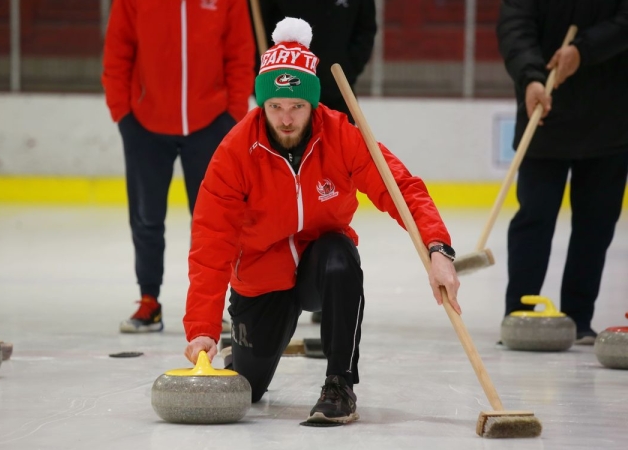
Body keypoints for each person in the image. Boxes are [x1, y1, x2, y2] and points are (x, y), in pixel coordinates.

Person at [182, 18, 460, 424]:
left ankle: (339, 384)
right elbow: (211, 242)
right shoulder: (235, 151)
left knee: (339, 255)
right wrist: (202, 327)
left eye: (297, 106)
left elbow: (400, 187)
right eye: (275, 106)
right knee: (249, 388)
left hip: (319, 266)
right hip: (261, 277)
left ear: (313, 103)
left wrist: (438, 248)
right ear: (262, 104)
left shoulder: (341, 135)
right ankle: (243, 353)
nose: (286, 119)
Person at [102, 0, 255, 333]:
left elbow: (240, 53)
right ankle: (149, 300)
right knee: (145, 217)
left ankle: (218, 305)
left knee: (215, 221)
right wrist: (122, 113)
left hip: (211, 122)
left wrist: (232, 115)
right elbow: (118, 50)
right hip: (144, 124)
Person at [497, 0, 628, 345]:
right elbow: (515, 27)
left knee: (596, 224)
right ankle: (520, 312)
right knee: (535, 216)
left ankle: (578, 318)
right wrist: (530, 77)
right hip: (544, 114)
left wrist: (584, 50)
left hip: (611, 121)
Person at [259, 0, 377, 324]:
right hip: (285, 87)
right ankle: (272, 285)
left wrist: (345, 68)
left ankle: (326, 280)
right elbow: (262, 17)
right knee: (279, 189)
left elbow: (366, 29)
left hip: (336, 91)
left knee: (330, 189)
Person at [259, 0, 377, 124]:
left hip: (337, 91)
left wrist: (348, 70)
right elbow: (260, 30)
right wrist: (268, 78)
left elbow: (365, 31)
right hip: (287, 94)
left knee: (342, 141)